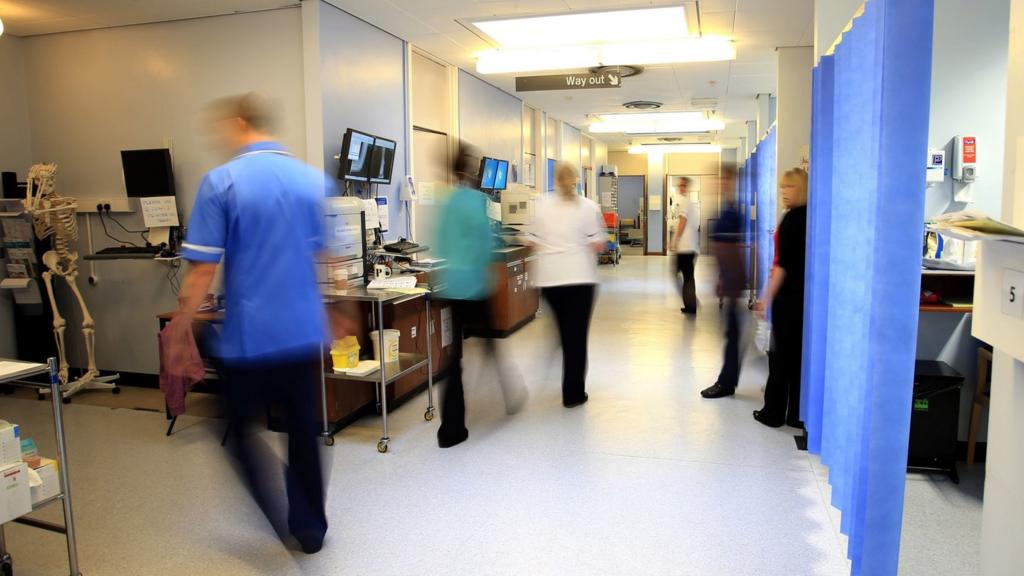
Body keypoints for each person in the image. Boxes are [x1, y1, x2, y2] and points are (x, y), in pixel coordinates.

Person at [173, 93, 332, 553]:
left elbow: (203, 268)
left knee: (239, 430)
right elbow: (328, 257)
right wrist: (335, 315)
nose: (220, 136)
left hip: (251, 338)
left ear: (241, 124)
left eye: (224, 127)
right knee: (303, 430)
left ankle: (277, 510)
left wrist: (183, 324)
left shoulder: (222, 181)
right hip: (303, 331)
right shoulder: (312, 181)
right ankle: (310, 529)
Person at [434, 143, 526, 448]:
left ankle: (451, 429)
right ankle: (510, 395)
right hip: (475, 285)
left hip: (451, 286)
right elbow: (486, 242)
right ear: (473, 170)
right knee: (491, 343)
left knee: (453, 358)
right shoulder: (476, 201)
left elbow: (440, 244)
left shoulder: (445, 202)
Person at [529, 162, 604, 408]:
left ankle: (560, 352)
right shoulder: (588, 207)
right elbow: (599, 244)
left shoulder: (541, 204)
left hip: (550, 281)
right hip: (579, 279)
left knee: (565, 332)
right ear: (576, 180)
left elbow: (532, 241)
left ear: (555, 180)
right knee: (577, 337)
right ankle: (573, 394)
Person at [753, 167, 808, 428]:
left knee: (780, 358)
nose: (785, 192)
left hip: (788, 299)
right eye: (782, 188)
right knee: (797, 358)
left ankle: (772, 413)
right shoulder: (810, 217)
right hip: (804, 298)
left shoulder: (791, 220)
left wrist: (765, 298)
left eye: (790, 187)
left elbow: (781, 267)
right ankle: (797, 414)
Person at [701, 165, 746, 399]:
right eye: (720, 179)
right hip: (728, 279)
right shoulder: (726, 209)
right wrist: (719, 277)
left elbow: (735, 249)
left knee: (733, 332)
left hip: (734, 280)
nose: (721, 183)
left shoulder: (733, 212)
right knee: (732, 331)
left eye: (725, 179)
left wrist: (730, 280)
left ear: (733, 181)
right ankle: (727, 379)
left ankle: (726, 382)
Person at [670, 177, 700, 314]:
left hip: (685, 248)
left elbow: (682, 221)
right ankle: (691, 303)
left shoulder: (685, 203)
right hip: (690, 247)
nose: (680, 188)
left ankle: (691, 303)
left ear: (687, 187)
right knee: (686, 277)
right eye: (679, 185)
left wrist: (675, 240)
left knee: (681, 275)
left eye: (683, 185)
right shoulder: (689, 204)